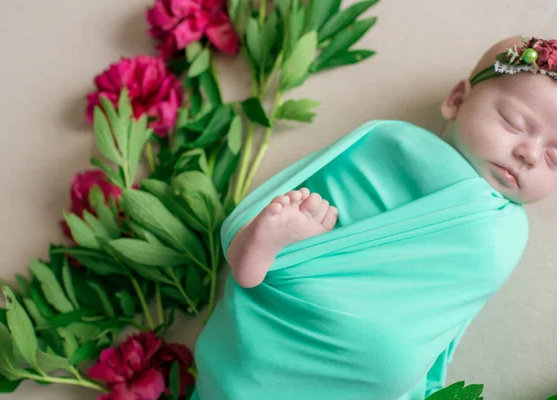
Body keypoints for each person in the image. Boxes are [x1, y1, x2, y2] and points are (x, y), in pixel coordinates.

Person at [191, 35, 557, 399]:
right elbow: (328, 186)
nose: (528, 153)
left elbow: (444, 312)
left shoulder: (507, 226)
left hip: (382, 359)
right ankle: (271, 250)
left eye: (553, 157)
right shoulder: (396, 143)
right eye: (514, 122)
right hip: (298, 300)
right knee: (301, 218)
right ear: (457, 100)